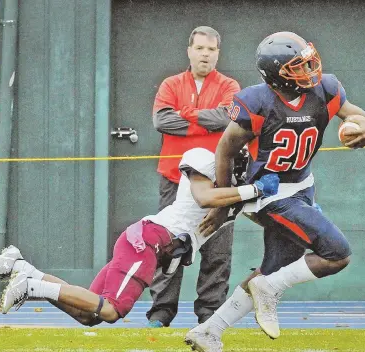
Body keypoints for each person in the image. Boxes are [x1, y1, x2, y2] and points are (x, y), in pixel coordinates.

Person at [185, 31, 365, 351]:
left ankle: (209, 330)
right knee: (337, 253)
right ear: (278, 75)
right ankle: (268, 288)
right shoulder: (258, 102)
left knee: (273, 269)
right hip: (269, 193)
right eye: (298, 67)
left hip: (303, 187)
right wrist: (223, 203)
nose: (309, 71)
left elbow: (363, 118)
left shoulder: (326, 89)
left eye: (307, 62)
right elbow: (224, 150)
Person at [0, 147, 279, 326]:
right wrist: (252, 190)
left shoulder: (237, 196)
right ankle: (30, 285)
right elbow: (204, 198)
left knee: (88, 316)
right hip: (149, 240)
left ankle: (22, 269)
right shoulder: (205, 162)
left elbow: (259, 213)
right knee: (111, 310)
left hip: (149, 244)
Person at [149, 26, 241, 327]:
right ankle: (161, 313)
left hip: (217, 181)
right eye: (200, 48)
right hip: (174, 179)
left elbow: (228, 117)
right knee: (168, 245)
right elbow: (162, 121)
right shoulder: (171, 84)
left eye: (211, 49)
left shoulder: (230, 85)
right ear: (189, 50)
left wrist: (187, 114)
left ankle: (209, 315)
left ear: (218, 53)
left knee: (217, 250)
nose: (205, 54)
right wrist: (206, 120)